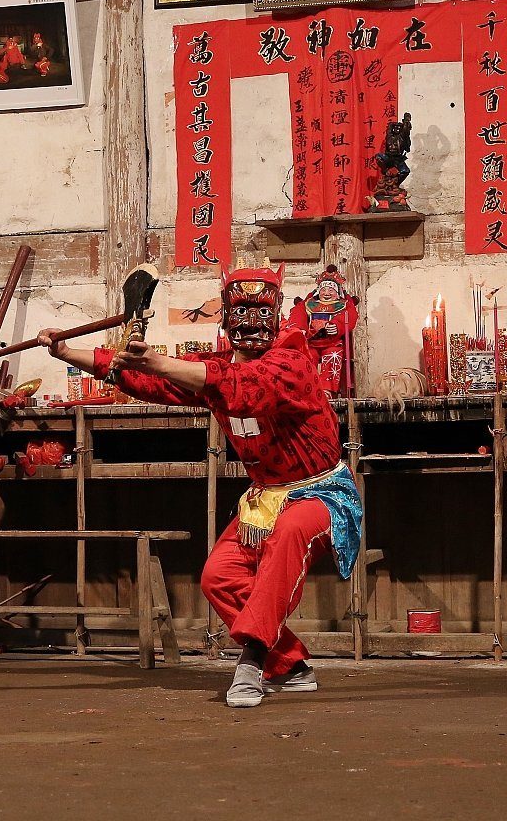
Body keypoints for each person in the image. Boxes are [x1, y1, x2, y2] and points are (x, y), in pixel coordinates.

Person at [38, 263, 362, 708]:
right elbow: (152, 379)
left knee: (290, 533)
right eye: (241, 309)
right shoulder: (215, 366)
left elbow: (243, 388)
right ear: (225, 317)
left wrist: (157, 359)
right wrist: (67, 352)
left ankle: (251, 661)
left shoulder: (293, 363)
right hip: (264, 499)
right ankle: (291, 666)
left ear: (278, 312)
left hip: (319, 494)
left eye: (261, 310)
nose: (250, 320)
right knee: (220, 576)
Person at [288, 265, 359, 397]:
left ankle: (327, 390)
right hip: (311, 342)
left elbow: (350, 316)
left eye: (331, 290)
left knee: (333, 357)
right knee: (306, 359)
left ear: (337, 292)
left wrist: (338, 326)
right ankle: (309, 388)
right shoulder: (309, 303)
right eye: (323, 290)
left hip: (332, 343)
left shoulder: (343, 305)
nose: (326, 293)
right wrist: (299, 329)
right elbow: (298, 314)